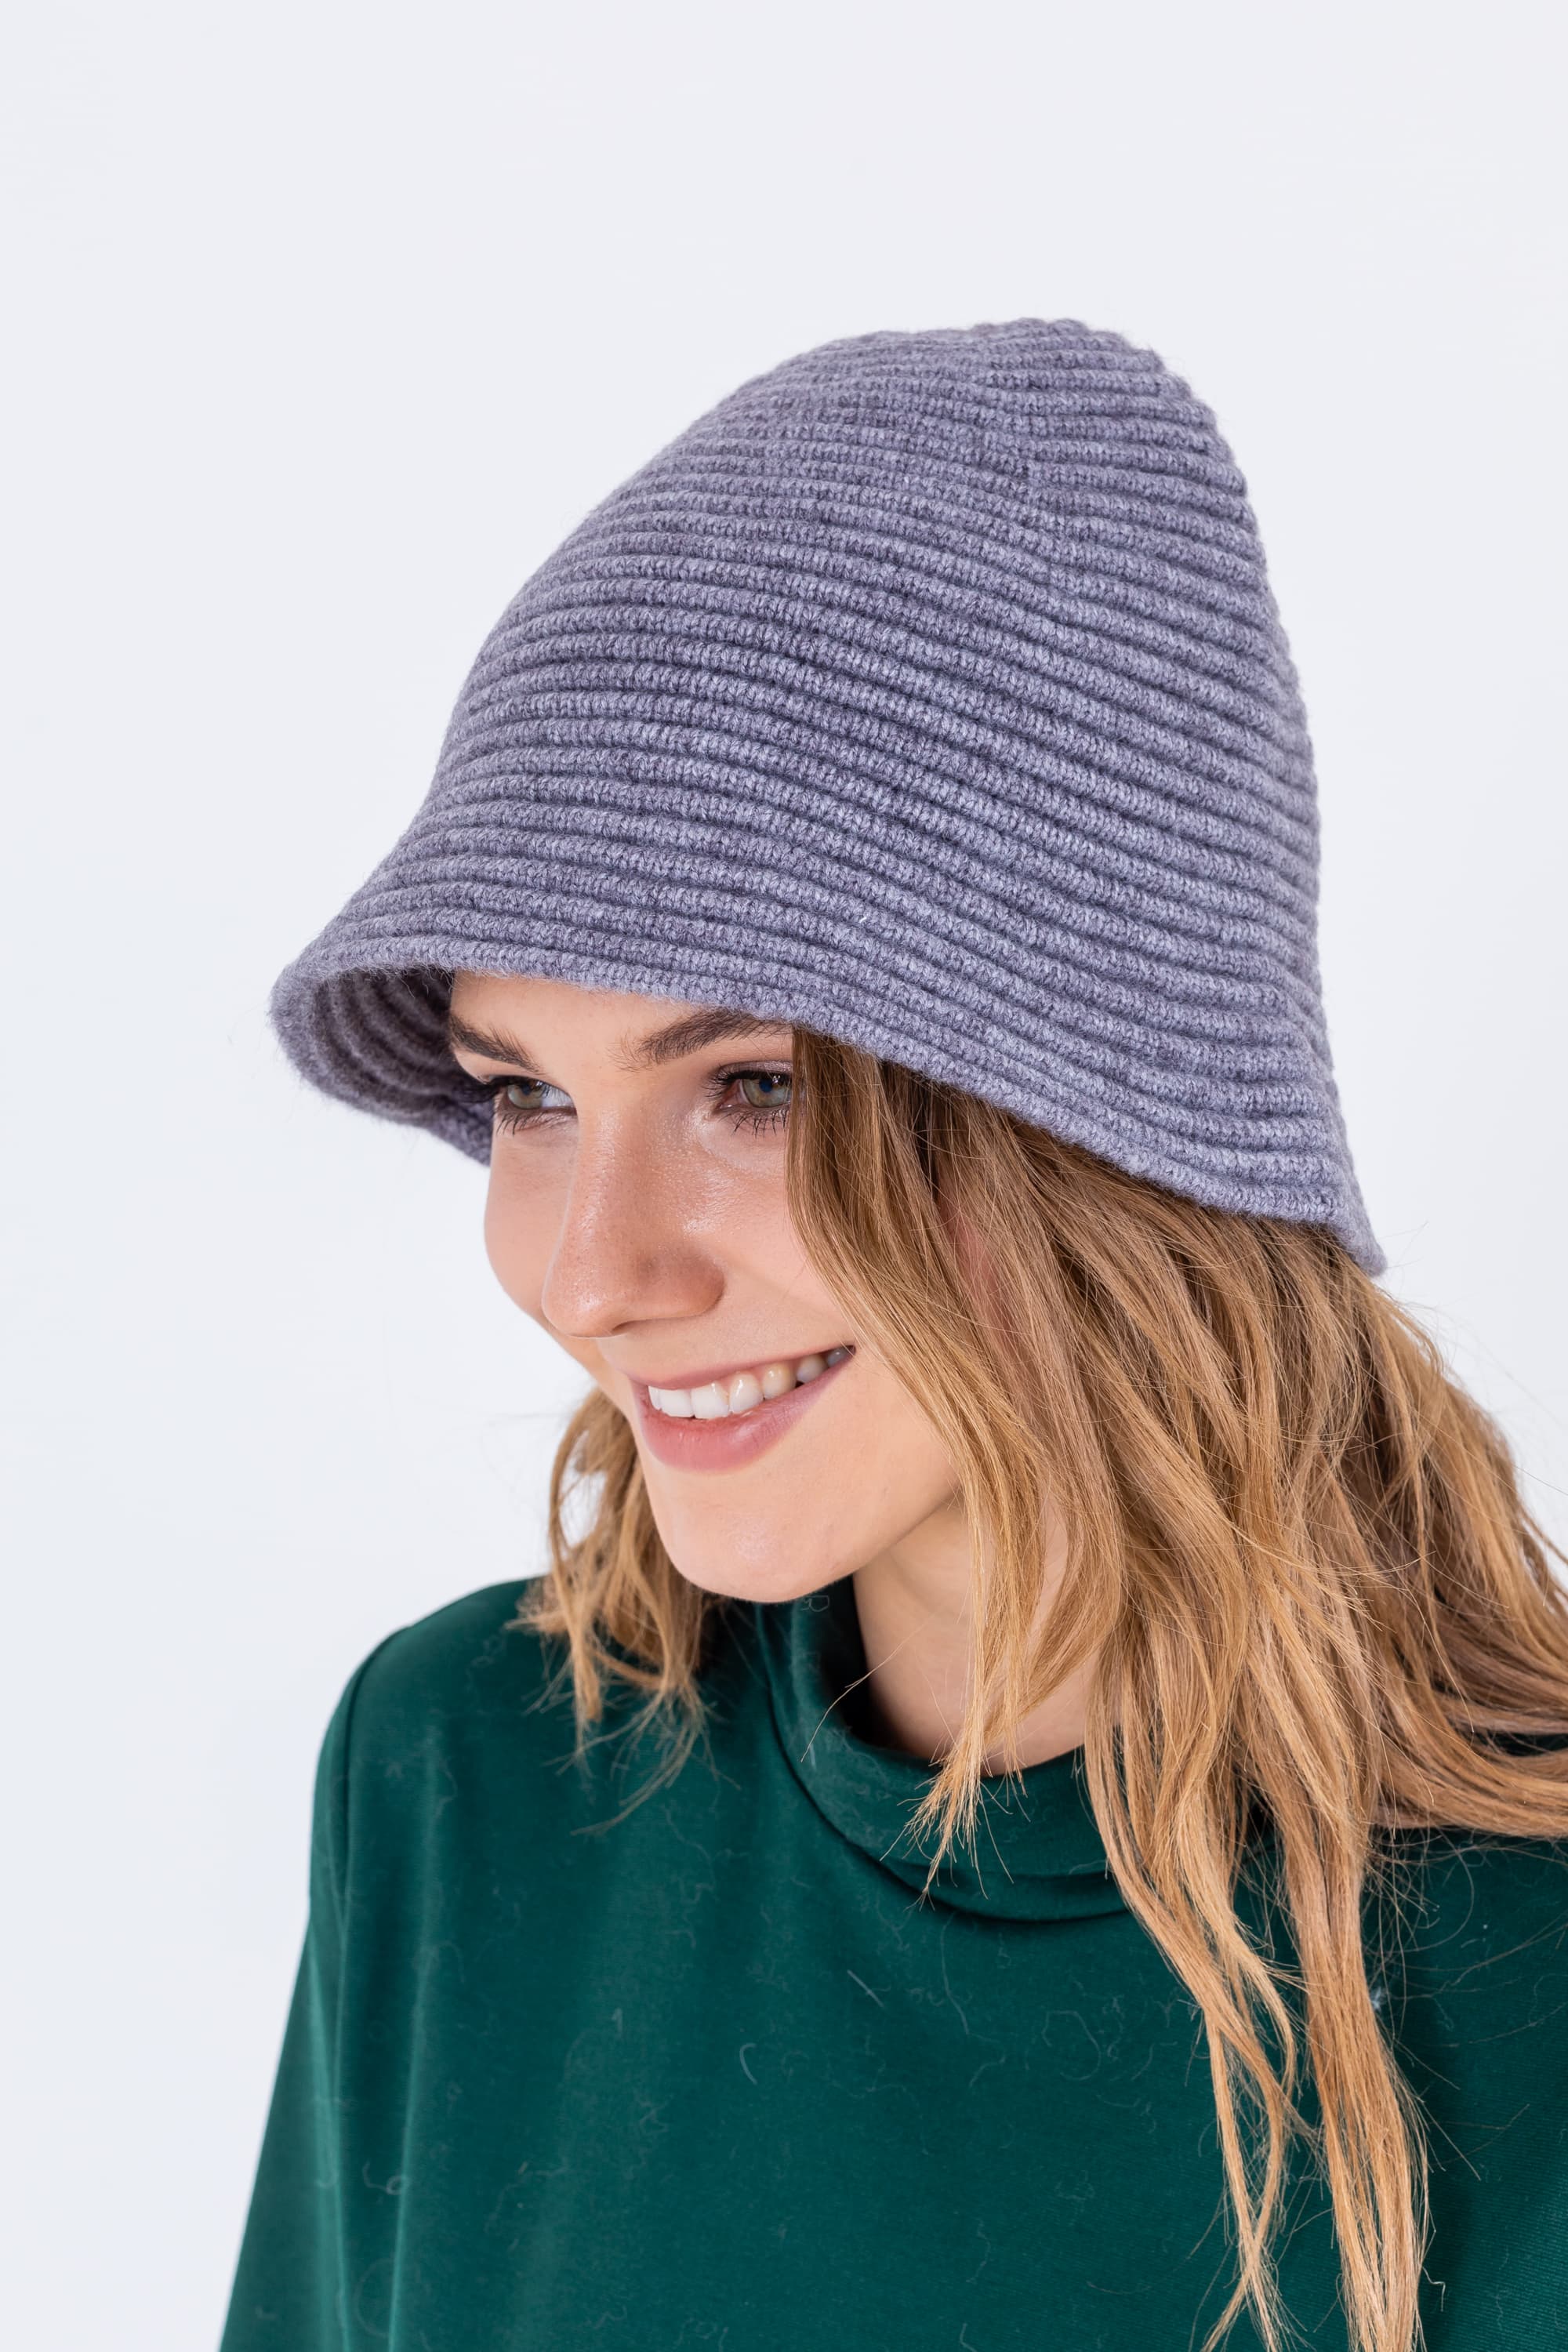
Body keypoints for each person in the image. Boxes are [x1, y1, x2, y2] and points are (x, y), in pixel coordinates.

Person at [219, 321, 1568, 2352]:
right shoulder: (467, 1780)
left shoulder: (1525, 1963)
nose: (594, 1275)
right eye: (528, 1096)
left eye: (753, 1086)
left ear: (1116, 1123)